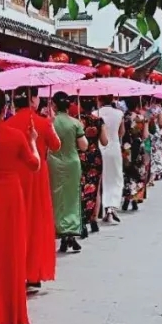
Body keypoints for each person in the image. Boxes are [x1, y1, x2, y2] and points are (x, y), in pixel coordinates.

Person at [0, 87, 38, 324]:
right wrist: (33, 142)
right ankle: (7, 313)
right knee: (9, 253)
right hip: (10, 197)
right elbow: (34, 164)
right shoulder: (16, 136)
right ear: (4, 109)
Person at [3, 87, 61, 288]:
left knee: (18, 223)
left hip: (15, 177)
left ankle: (17, 270)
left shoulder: (7, 123)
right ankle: (34, 272)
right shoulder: (43, 123)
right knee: (37, 221)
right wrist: (50, 126)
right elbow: (56, 146)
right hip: (37, 176)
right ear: (33, 100)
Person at [47, 92, 87, 253]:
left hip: (54, 163)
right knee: (72, 197)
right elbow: (83, 145)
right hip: (72, 162)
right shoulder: (75, 123)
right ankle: (71, 232)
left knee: (56, 197)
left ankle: (60, 230)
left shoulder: (49, 123)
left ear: (54, 105)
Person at [78, 98, 107, 235]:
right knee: (95, 188)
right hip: (95, 156)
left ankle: (82, 220)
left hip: (81, 156)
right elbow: (105, 141)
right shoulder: (99, 121)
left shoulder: (77, 120)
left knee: (81, 187)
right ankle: (93, 219)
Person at [96, 96, 124, 225]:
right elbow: (121, 132)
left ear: (99, 99)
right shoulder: (119, 113)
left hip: (100, 148)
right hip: (114, 147)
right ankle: (111, 207)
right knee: (115, 178)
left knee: (103, 178)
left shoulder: (95, 114)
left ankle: (102, 207)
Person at [121, 100, 148, 211]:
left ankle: (127, 198)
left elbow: (121, 133)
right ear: (137, 106)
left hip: (126, 147)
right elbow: (145, 135)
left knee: (127, 172)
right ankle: (135, 198)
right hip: (138, 146)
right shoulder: (141, 118)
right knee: (138, 172)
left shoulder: (124, 117)